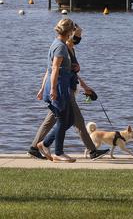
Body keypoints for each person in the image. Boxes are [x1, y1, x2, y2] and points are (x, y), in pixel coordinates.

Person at [28, 24, 109, 161]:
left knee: (53, 121)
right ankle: (91, 151)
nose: (79, 37)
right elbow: (51, 70)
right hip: (64, 90)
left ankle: (35, 147)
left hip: (67, 88)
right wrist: (45, 89)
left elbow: (69, 72)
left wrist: (84, 86)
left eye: (80, 35)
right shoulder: (62, 48)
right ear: (71, 34)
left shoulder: (70, 49)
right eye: (78, 35)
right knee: (77, 121)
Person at [33, 18, 76, 162]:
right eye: (72, 30)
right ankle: (58, 153)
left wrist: (71, 68)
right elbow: (55, 68)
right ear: (69, 32)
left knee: (70, 120)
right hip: (58, 87)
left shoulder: (60, 44)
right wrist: (52, 89)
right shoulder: (60, 47)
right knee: (63, 120)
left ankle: (44, 144)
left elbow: (53, 68)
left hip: (60, 85)